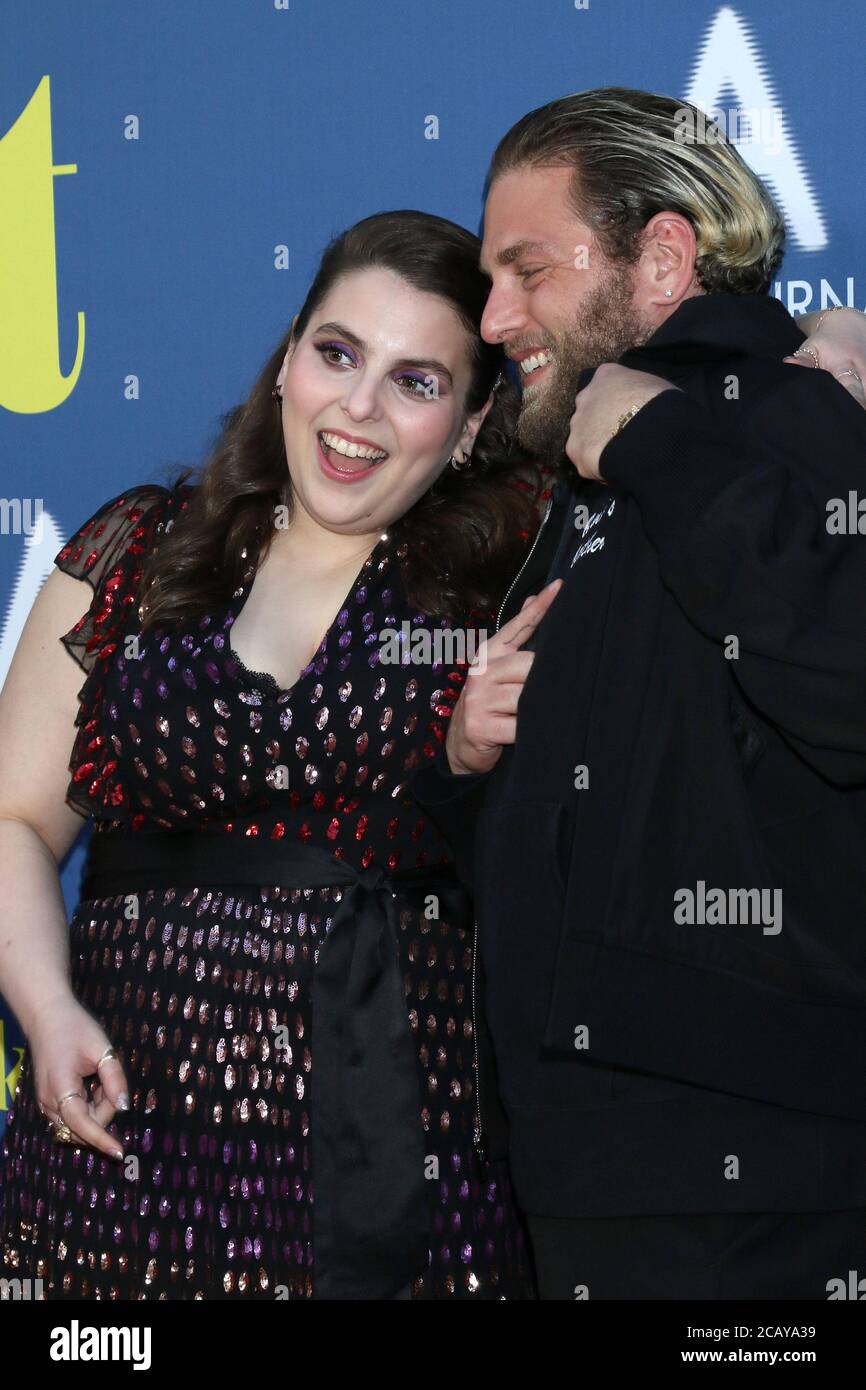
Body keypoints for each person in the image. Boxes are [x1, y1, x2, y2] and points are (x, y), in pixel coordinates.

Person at [0, 210, 543, 1300]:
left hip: (402, 1168)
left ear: (475, 418)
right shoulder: (139, 547)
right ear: (288, 356)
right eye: (337, 353)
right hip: (117, 1148)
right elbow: (15, 818)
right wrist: (48, 1013)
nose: (358, 407)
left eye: (416, 381)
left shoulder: (515, 582)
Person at [413, 87, 866, 1300]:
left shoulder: (793, 414)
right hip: (590, 1176)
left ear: (661, 257)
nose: (494, 314)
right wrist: (465, 769)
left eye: (526, 269)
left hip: (754, 1189)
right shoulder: (583, 478)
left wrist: (659, 442)